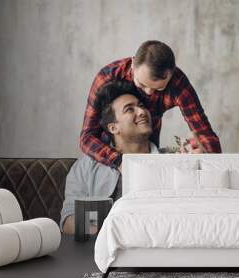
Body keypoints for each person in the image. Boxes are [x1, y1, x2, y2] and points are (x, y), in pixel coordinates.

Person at [80, 40, 221, 172]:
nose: (148, 93)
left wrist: (208, 161)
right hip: (107, 153)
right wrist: (119, 162)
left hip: (149, 150)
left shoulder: (178, 84)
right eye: (141, 84)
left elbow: (204, 133)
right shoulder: (108, 77)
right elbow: (87, 137)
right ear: (133, 63)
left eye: (158, 89)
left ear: (171, 75)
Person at [61, 80, 168, 234]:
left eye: (141, 106)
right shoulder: (87, 165)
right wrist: (104, 236)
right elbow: (68, 220)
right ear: (113, 127)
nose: (141, 112)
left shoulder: (169, 163)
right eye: (129, 109)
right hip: (96, 251)